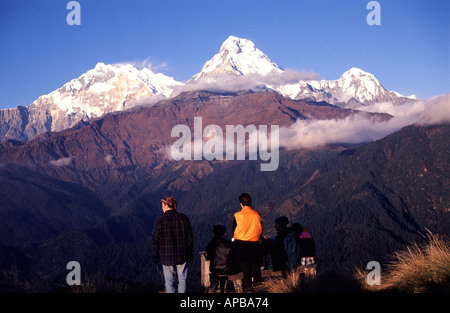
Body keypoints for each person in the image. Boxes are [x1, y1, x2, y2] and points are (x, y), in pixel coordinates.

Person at [152, 196, 194, 293]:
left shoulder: (159, 220)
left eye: (162, 205)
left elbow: (155, 239)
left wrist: (155, 254)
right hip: (182, 254)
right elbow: (190, 238)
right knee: (182, 280)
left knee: (169, 282)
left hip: (166, 255)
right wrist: (190, 252)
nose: (162, 207)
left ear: (166, 205)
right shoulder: (184, 218)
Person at [232, 193, 263, 292]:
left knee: (246, 273)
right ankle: (258, 291)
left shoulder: (237, 215)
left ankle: (248, 291)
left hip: (241, 246)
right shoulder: (257, 214)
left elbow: (234, 229)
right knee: (256, 271)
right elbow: (261, 229)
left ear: (241, 203)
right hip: (255, 245)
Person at [205, 224, 239, 292]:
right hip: (228, 269)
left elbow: (208, 256)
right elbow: (233, 257)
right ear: (225, 234)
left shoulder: (211, 245)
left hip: (214, 269)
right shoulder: (228, 244)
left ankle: (219, 289)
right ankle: (237, 289)